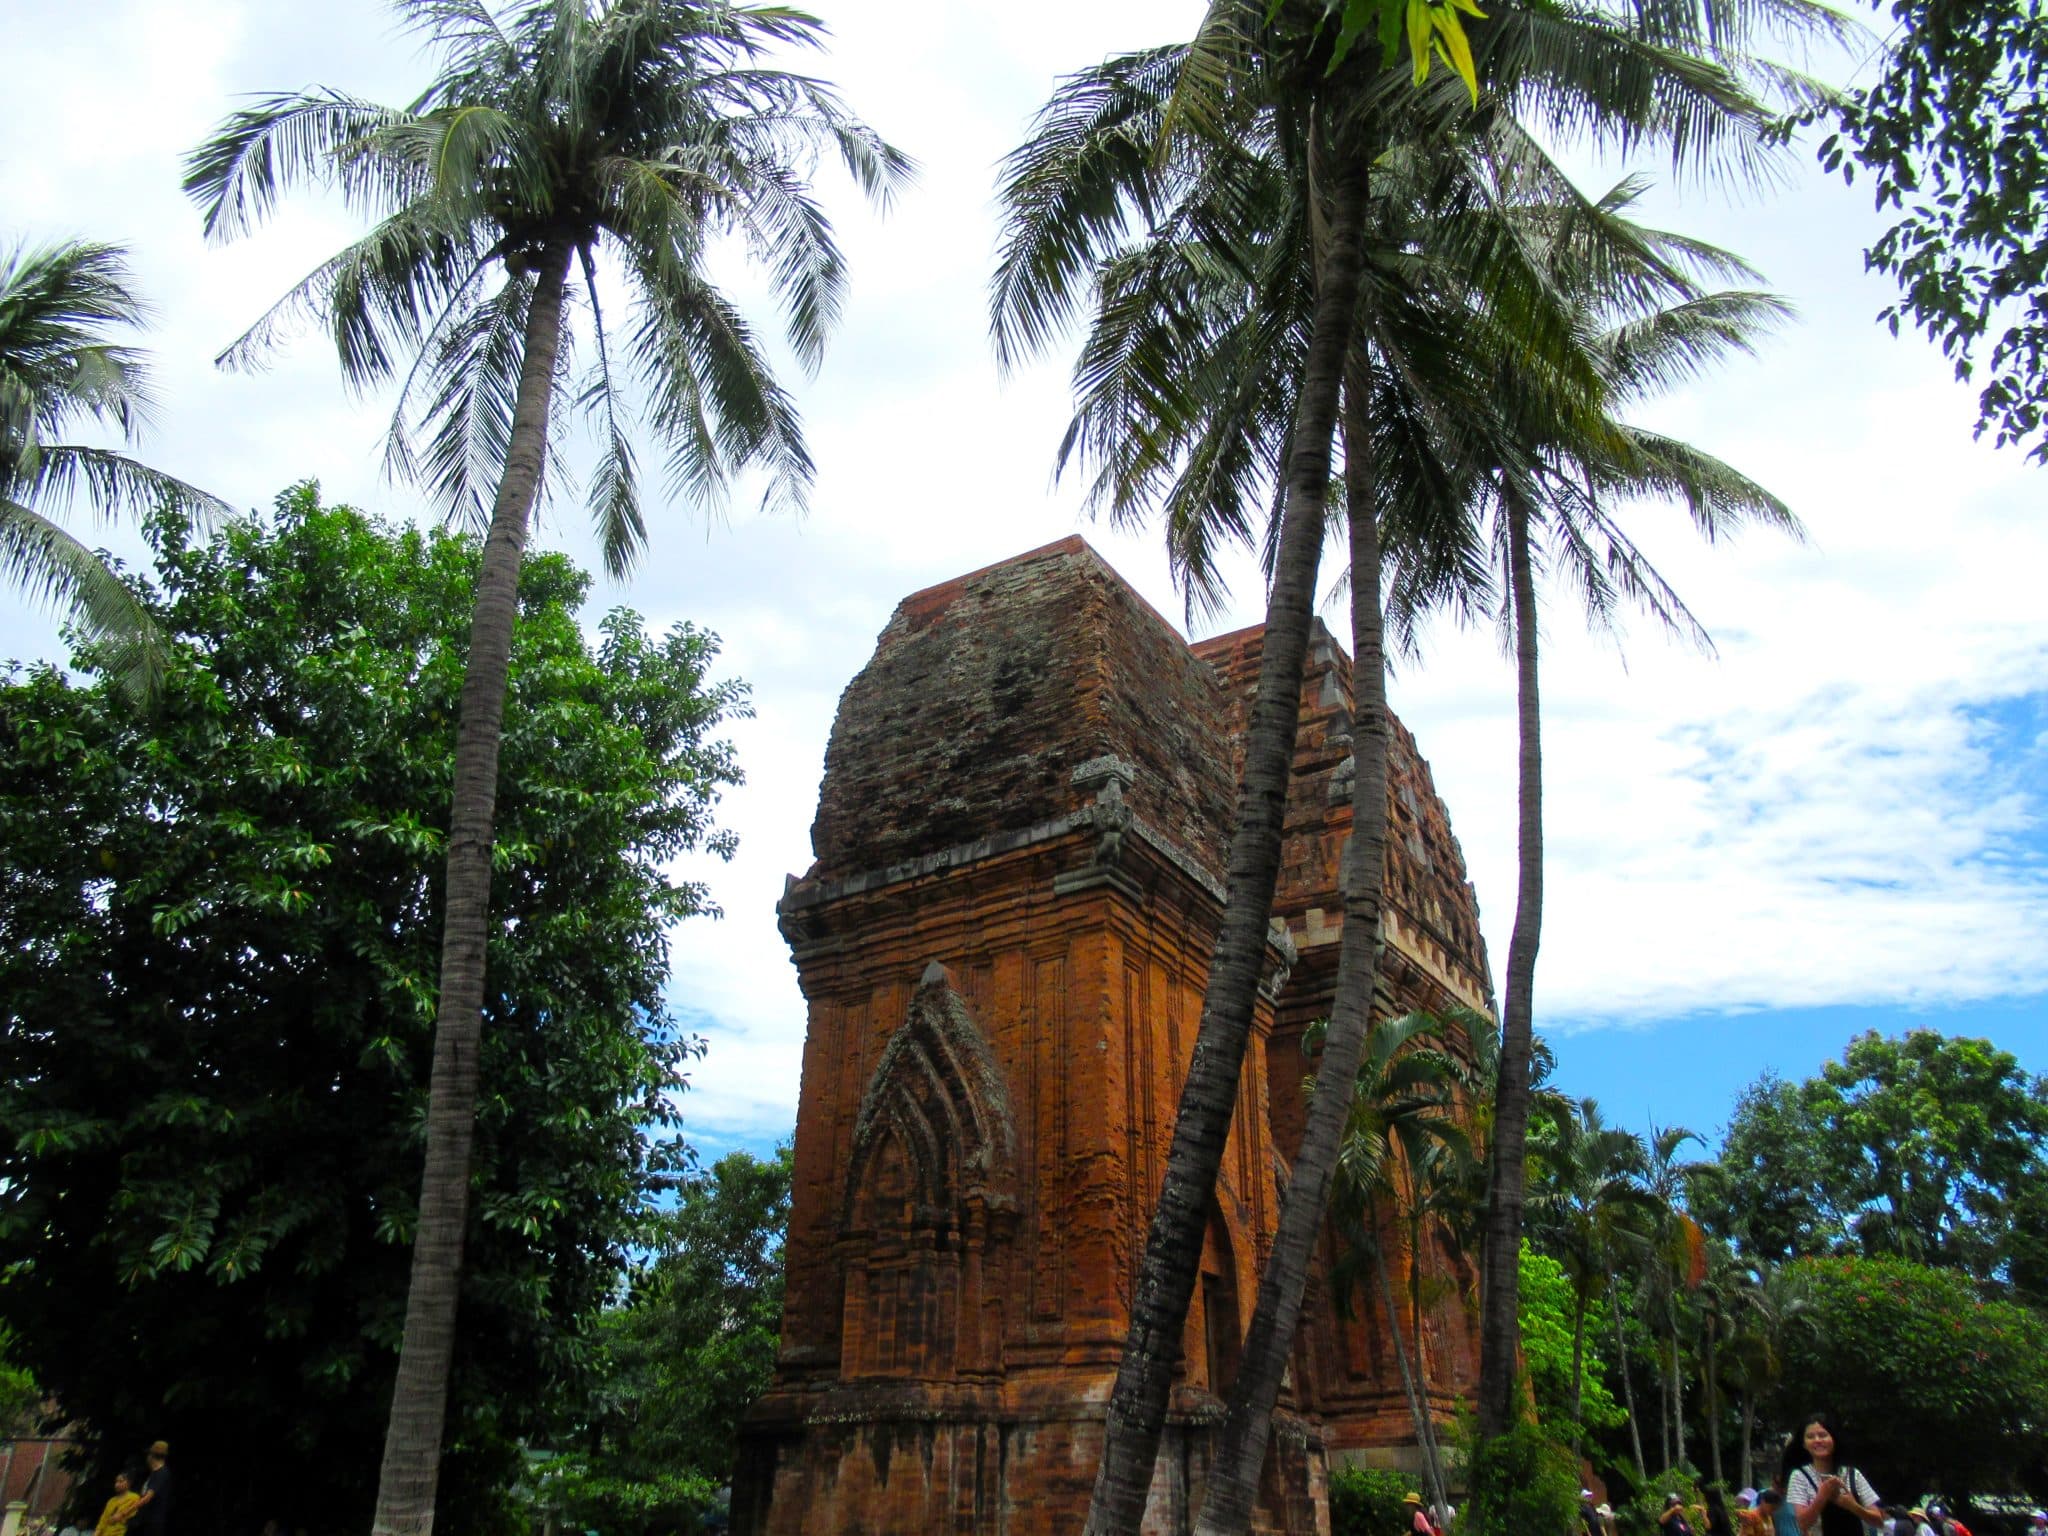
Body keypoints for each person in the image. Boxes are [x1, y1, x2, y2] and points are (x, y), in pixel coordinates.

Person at [1780, 1414, 1882, 1536]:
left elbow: (1878, 1521)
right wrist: (1822, 1495)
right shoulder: (1799, 1477)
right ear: (1804, 1444)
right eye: (1810, 1437)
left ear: (1833, 1439)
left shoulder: (1853, 1474)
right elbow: (1803, 1524)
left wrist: (1853, 1506)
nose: (1817, 1440)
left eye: (1823, 1435)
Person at [128, 1443, 171, 1536]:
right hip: (146, 1522)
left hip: (152, 1524)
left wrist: (125, 1512)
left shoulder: (162, 1474)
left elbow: (147, 1497)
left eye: (148, 1455)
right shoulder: (155, 1474)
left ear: (152, 1456)